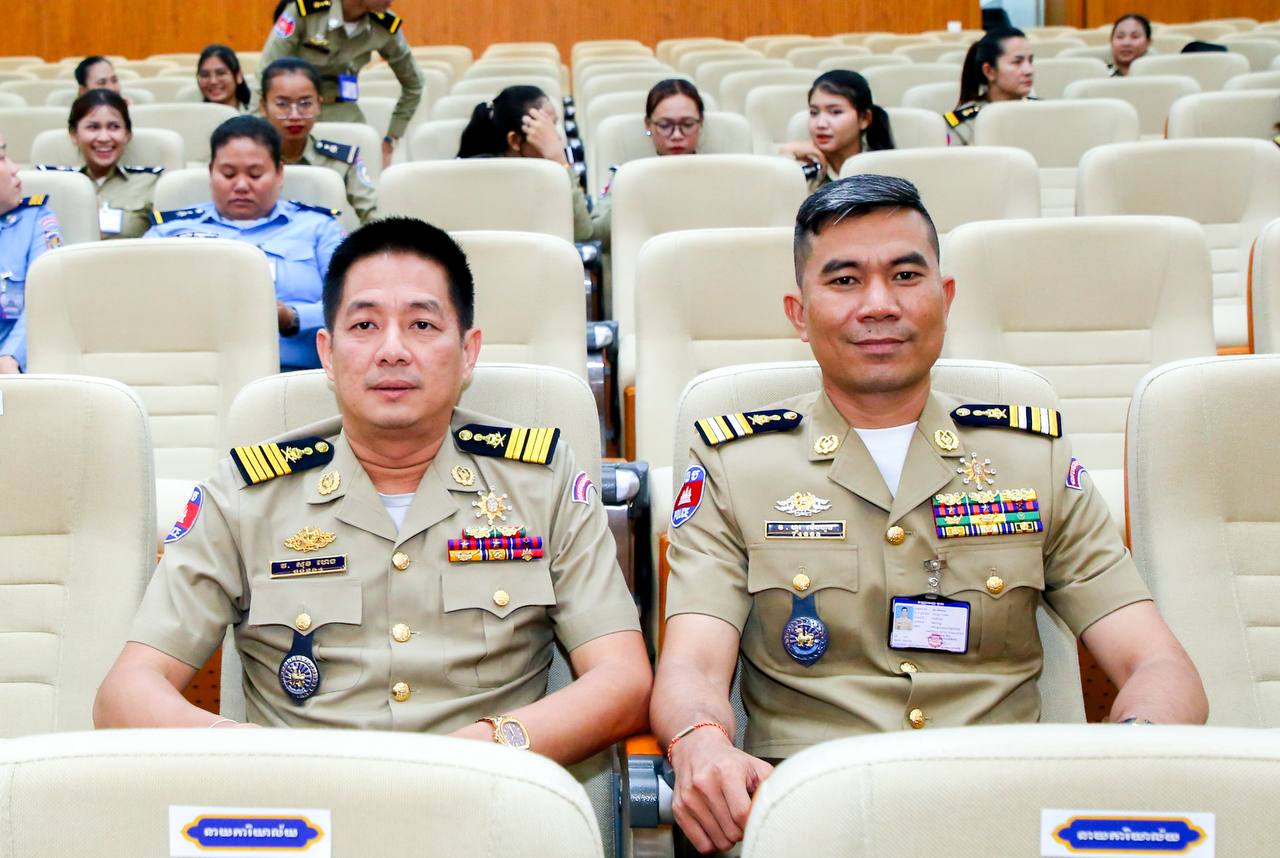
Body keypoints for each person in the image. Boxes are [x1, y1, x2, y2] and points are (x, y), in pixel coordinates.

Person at [649, 175, 1208, 854]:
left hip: (1004, 811)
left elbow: (1157, 663)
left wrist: (1134, 758)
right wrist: (701, 742)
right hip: (820, 814)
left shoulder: (1029, 455)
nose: (879, 305)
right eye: (845, 280)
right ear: (799, 313)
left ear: (945, 298)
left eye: (905, 275)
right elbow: (693, 668)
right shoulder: (734, 464)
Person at [93, 216, 653, 763]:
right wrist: (257, 758)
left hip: (488, 792)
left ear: (468, 353)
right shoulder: (246, 495)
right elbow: (126, 693)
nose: (392, 350)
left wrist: (486, 751)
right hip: (302, 807)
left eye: (422, 325)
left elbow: (623, 679)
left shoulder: (541, 482)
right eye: (364, 326)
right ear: (327, 354)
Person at [143, 116, 345, 371]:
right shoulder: (168, 232)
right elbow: (139, 301)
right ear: (211, 172)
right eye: (228, 174)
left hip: (295, 374)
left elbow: (351, 303)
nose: (241, 185)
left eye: (255, 174)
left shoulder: (319, 229)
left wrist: (292, 317)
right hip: (193, 374)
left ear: (279, 173)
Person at [261, 0, 423, 168]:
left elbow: (414, 84)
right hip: (292, 119)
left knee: (364, 170)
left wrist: (391, 139)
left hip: (345, 115)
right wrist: (257, 134)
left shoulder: (384, 25)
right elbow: (263, 76)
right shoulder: (304, 12)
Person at [458, 85, 592, 243]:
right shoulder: (490, 183)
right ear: (515, 140)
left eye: (553, 126)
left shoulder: (544, 173)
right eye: (546, 130)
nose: (556, 138)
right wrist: (560, 161)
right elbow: (583, 233)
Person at [590, 78, 707, 250]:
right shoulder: (629, 176)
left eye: (687, 124)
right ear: (648, 125)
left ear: (701, 122)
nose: (676, 135)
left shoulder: (721, 175)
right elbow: (597, 235)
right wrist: (634, 196)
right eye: (665, 125)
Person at [260, 58, 378, 223]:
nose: (295, 115)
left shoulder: (341, 161)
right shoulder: (248, 162)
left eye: (305, 103)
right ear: (263, 107)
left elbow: (374, 217)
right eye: (282, 104)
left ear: (319, 105)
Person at [37, 90, 163, 241]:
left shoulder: (151, 183)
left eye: (114, 127)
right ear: (73, 134)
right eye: (93, 127)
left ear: (128, 134)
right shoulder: (55, 184)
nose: (104, 138)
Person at [0, 133, 63, 375]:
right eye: (2, 158)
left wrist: (10, 356)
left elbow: (49, 297)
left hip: (13, 368)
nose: (15, 168)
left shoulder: (34, 220)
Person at [779, 70, 894, 191]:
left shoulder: (882, 170)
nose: (821, 124)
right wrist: (786, 159)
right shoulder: (803, 170)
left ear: (864, 118)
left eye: (835, 112)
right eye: (814, 112)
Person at [946, 27, 1036, 146]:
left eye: (1030, 61)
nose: (1029, 70)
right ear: (989, 71)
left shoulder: (1041, 111)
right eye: (1017, 62)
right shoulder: (963, 125)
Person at [197, 44, 253, 112]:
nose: (213, 81)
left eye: (221, 73)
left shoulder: (256, 114)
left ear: (239, 75)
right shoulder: (192, 114)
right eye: (205, 75)